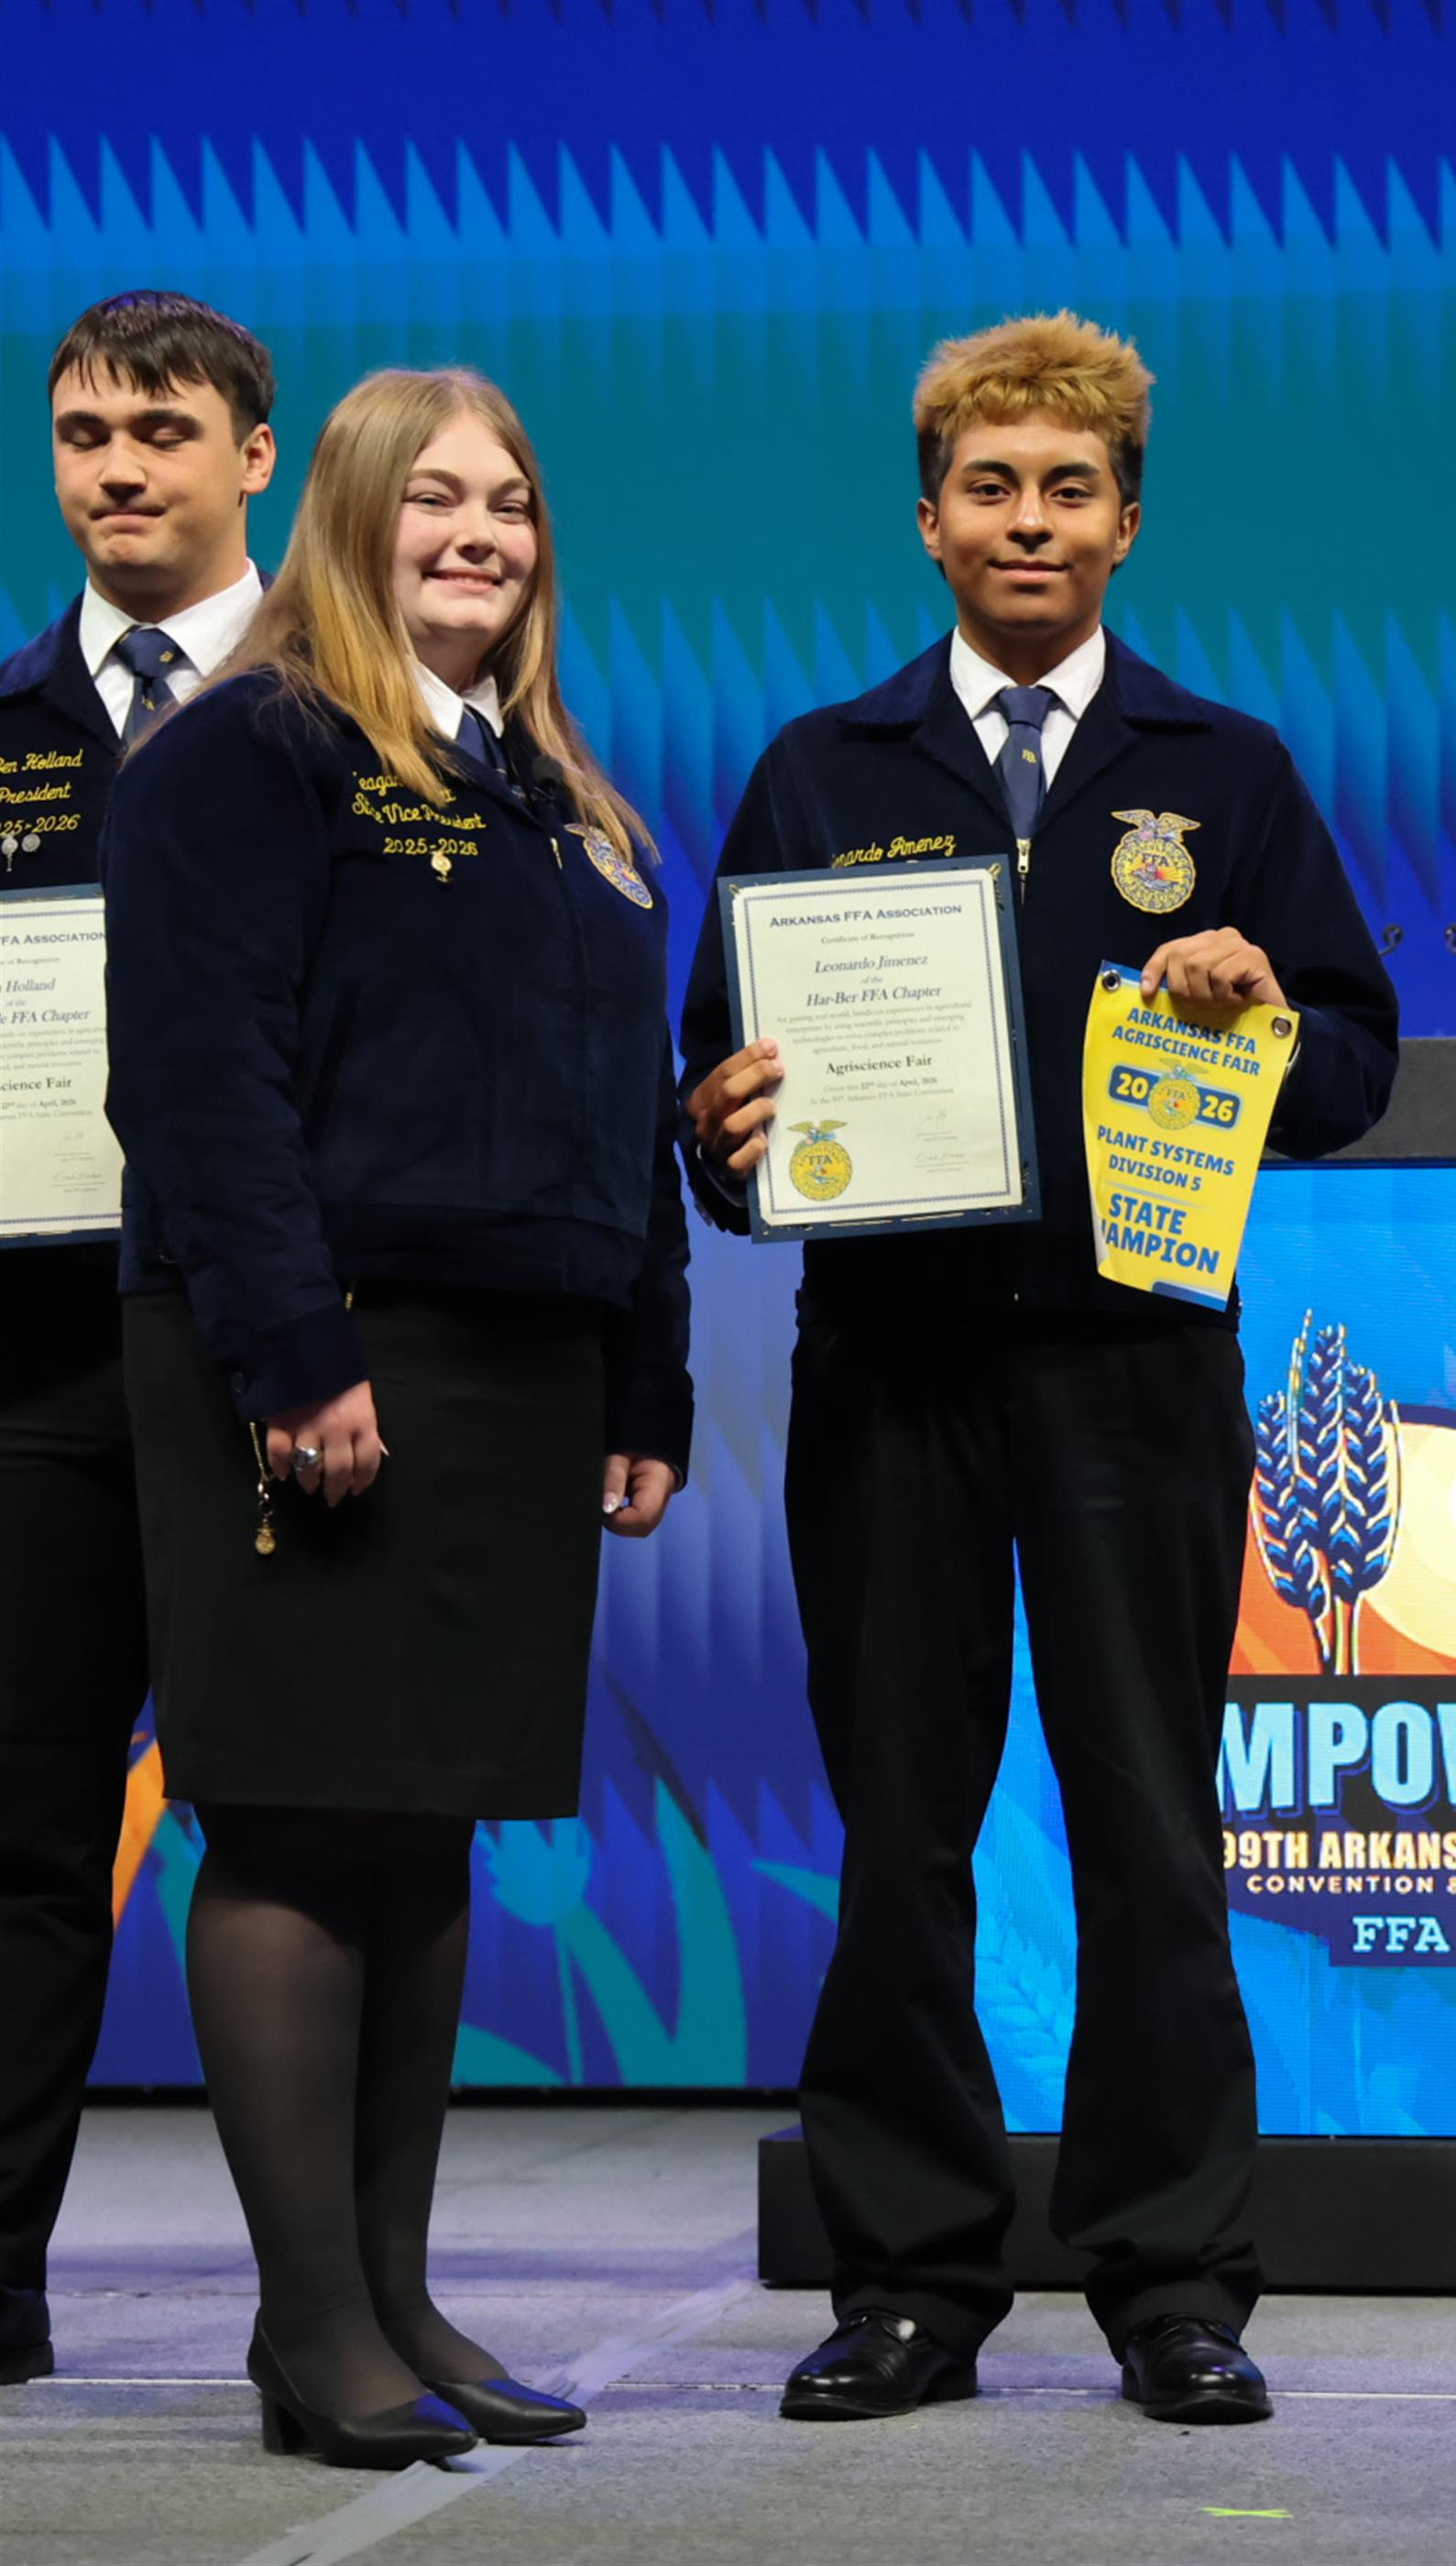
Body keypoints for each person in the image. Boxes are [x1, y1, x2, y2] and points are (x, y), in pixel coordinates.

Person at [680, 313, 1397, 2427]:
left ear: (1125, 521)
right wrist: (720, 1130)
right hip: (889, 1376)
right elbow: (719, 1111)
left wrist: (1262, 1012)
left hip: (1134, 1379)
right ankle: (908, 2278)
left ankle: (1172, 2280)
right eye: (988, 486)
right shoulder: (822, 768)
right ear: (927, 518)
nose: (1026, 520)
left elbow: (1351, 1069)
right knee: (899, 1833)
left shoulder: (1223, 771)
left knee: (1147, 1831)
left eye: (1066, 488)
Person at [102, 367, 692, 2468]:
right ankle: (311, 2322)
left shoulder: (573, 806)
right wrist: (292, 1353)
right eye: (434, 495)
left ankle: (397, 2288)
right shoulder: (244, 752)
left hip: (521, 1372)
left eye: (508, 500)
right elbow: (198, 1081)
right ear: (347, 512)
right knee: (293, 1815)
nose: (478, 532)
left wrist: (647, 1371)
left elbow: (625, 1120)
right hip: (318, 1350)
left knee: (424, 1819)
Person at [0, 291, 275, 2389]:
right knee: (20, 1840)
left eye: (162, 431)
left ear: (254, 457)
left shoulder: (361, 718)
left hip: (289, 1364)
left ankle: (339, 2299)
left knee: (307, 1833)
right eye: (85, 431)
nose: (117, 466)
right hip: (32, 1370)